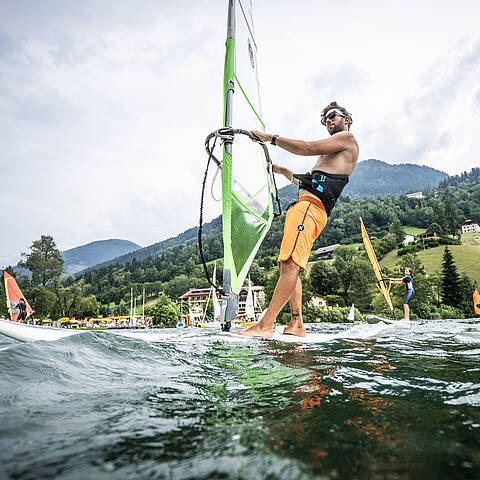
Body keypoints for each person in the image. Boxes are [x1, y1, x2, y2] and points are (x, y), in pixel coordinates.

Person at [238, 101, 359, 338]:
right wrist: (284, 172)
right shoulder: (334, 152)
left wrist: (269, 138)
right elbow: (313, 183)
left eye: (332, 116)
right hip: (306, 207)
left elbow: (305, 147)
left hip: (310, 210)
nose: (328, 122)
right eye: (324, 120)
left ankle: (265, 326)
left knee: (291, 264)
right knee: (288, 264)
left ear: (346, 118)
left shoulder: (348, 138)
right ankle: (296, 324)